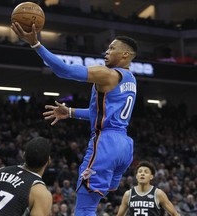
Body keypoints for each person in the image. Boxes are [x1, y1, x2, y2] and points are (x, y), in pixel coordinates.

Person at [12, 22, 138, 215]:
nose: (106, 51)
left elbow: (65, 70)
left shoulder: (108, 75)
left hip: (106, 143)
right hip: (125, 146)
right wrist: (70, 112)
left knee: (85, 207)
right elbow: (100, 113)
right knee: (98, 198)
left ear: (125, 55)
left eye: (112, 48)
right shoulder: (131, 79)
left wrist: (36, 44)